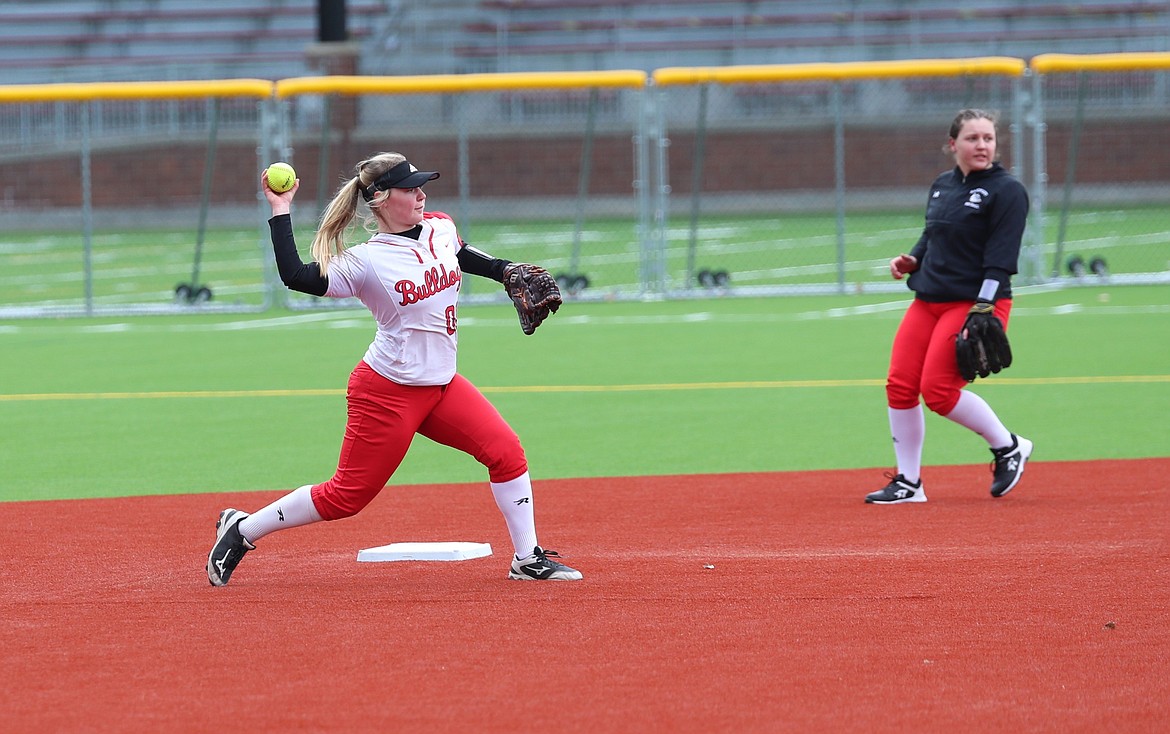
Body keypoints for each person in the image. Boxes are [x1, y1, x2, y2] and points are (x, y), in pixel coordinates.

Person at [207, 152, 582, 582]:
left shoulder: (440, 226)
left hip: (441, 385)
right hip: (387, 391)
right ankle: (242, 528)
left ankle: (527, 558)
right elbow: (295, 276)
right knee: (345, 498)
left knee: (506, 453)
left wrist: (505, 270)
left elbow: (461, 254)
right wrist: (281, 207)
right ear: (381, 199)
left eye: (421, 186)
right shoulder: (366, 262)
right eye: (410, 189)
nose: (421, 194)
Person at [866, 109, 1033, 505]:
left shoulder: (1006, 190)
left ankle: (1008, 446)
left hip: (975, 301)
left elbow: (1002, 257)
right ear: (953, 144)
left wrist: (984, 305)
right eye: (973, 138)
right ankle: (909, 483)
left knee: (938, 391)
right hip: (929, 299)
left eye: (988, 138)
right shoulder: (943, 185)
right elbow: (933, 234)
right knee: (901, 385)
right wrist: (912, 260)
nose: (982, 145)